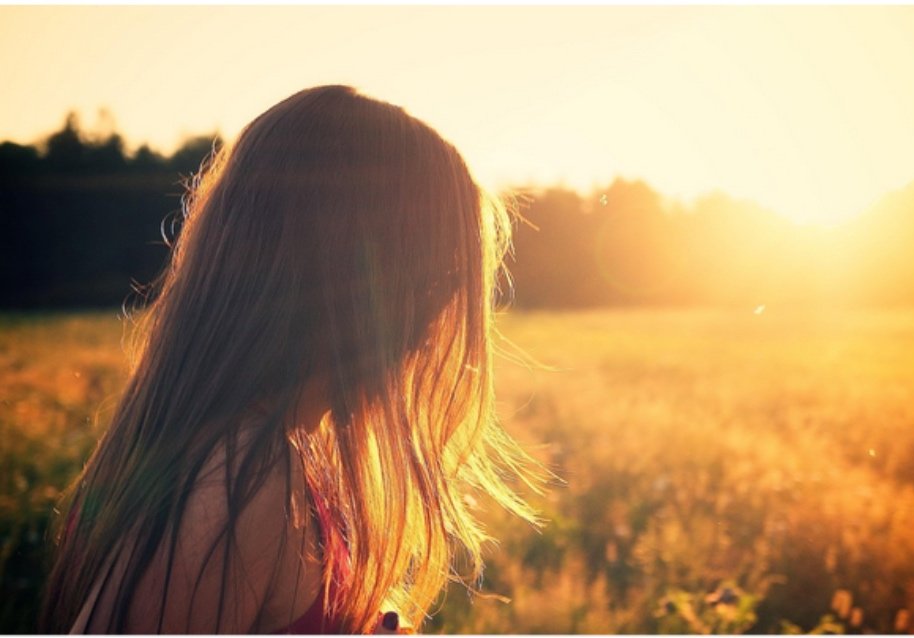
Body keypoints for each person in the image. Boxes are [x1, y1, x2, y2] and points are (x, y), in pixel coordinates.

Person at [41, 85, 542, 634]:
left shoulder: (255, 464)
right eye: (441, 284)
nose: (432, 333)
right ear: (369, 288)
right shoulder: (240, 485)